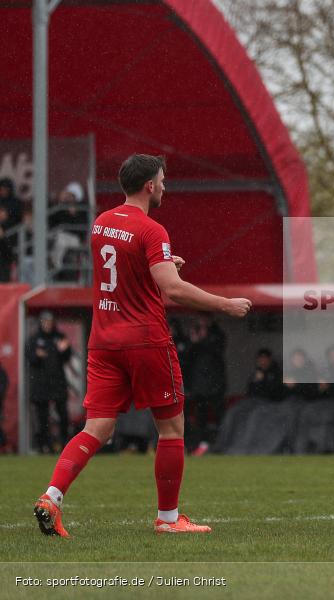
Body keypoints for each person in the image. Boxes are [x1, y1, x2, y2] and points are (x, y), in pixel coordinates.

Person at [33, 154, 252, 538]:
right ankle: (168, 519)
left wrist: (164, 263)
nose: (165, 186)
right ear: (150, 185)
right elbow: (172, 289)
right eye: (163, 181)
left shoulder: (101, 223)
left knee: (97, 427)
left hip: (103, 340)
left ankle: (52, 497)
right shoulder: (152, 230)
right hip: (145, 340)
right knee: (171, 429)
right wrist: (225, 304)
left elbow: (123, 274)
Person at [26, 311, 73, 453]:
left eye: (50, 321)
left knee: (63, 414)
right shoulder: (34, 339)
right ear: (41, 323)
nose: (48, 324)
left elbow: (67, 357)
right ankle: (44, 446)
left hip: (57, 382)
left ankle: (65, 444)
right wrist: (37, 355)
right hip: (40, 384)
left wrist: (64, 350)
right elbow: (30, 358)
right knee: (42, 418)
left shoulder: (59, 337)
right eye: (45, 322)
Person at [183, 315, 227, 454]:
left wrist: (202, 340)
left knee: (219, 416)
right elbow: (187, 358)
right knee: (199, 418)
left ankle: (220, 445)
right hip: (198, 386)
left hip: (215, 385)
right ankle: (198, 445)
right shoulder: (193, 335)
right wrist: (194, 342)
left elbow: (217, 352)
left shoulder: (217, 334)